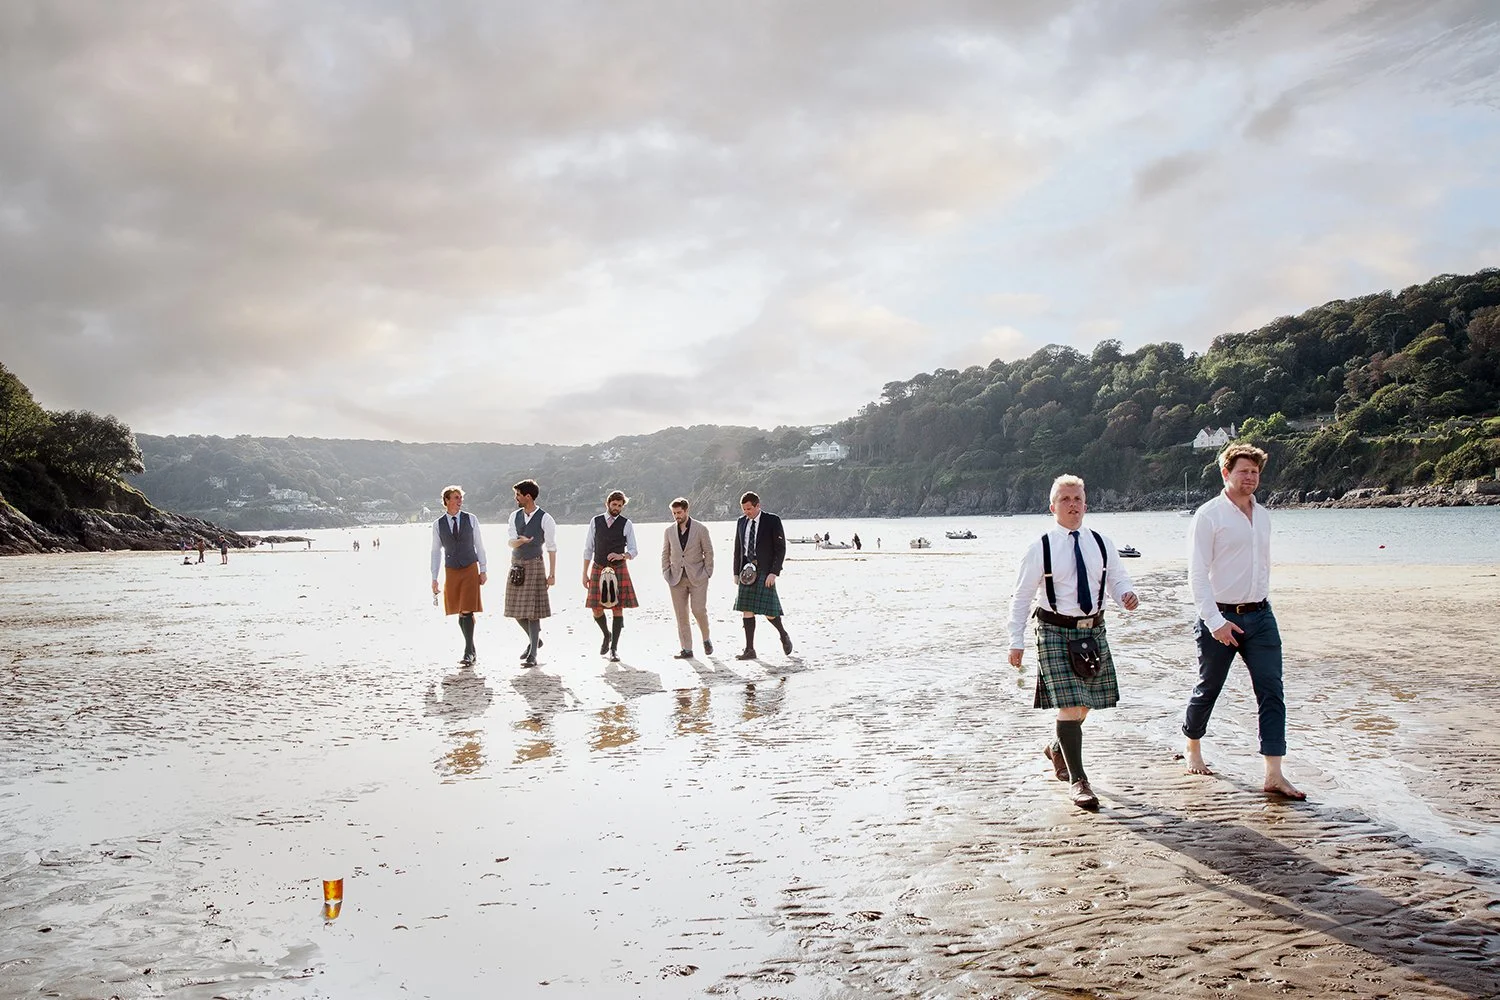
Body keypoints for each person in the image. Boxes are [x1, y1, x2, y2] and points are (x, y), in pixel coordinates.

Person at [1007, 474, 1139, 812]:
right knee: (1070, 703)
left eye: (1078, 499)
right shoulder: (1040, 547)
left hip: (1093, 630)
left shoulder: (1101, 542)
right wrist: (1015, 640)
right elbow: (1021, 597)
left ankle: (1056, 747)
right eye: (1065, 499)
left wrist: (1126, 593)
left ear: (1086, 504)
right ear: (1052, 507)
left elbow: (1116, 577)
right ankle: (1079, 781)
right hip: (1053, 630)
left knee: (1086, 703)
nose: (1072, 505)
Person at [1182, 443, 1304, 799]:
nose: (1250, 478)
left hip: (1261, 617)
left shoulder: (1263, 515)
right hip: (1220, 617)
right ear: (1226, 473)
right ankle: (1192, 745)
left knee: (1271, 691)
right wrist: (1215, 622)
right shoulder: (1209, 515)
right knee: (1209, 687)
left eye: (1255, 472)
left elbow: (1261, 566)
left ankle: (1274, 773)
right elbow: (1196, 574)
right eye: (1243, 471)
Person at [430, 486, 487, 665]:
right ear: (446, 500)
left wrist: (483, 569)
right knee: (459, 611)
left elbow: (479, 544)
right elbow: (435, 551)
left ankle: (468, 652)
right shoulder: (438, 524)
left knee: (467, 608)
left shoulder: (471, 519)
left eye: (460, 497)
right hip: (451, 569)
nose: (459, 500)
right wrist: (434, 577)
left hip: (470, 566)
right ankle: (471, 648)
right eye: (456, 497)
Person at [732, 491, 793, 660]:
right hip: (747, 571)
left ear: (758, 505)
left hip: (765, 570)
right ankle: (749, 650)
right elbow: (738, 549)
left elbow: (780, 548)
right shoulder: (740, 522)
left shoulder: (772, 520)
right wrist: (736, 573)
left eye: (749, 508)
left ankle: (783, 634)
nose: (746, 512)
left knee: (769, 611)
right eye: (744, 509)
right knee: (746, 609)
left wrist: (774, 572)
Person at [582, 490, 638, 662]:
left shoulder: (626, 524)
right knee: (596, 608)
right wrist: (584, 573)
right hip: (598, 566)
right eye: (614, 505)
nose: (617, 508)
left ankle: (614, 649)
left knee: (617, 608)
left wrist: (622, 556)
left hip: (618, 568)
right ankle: (607, 635)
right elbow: (588, 548)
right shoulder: (595, 521)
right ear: (608, 504)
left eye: (620, 506)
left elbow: (634, 550)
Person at [506, 479, 557, 667]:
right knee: (516, 612)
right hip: (516, 564)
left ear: (528, 496)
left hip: (536, 564)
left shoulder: (546, 518)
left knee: (533, 613)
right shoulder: (514, 516)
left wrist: (552, 574)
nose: (516, 498)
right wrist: (521, 542)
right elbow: (510, 541)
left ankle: (533, 654)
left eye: (518, 494)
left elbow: (552, 547)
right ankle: (535, 639)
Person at [661, 497, 714, 659]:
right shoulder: (669, 531)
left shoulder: (701, 529)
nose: (676, 516)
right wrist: (666, 571)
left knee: (698, 610)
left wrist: (707, 572)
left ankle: (706, 639)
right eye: (674, 513)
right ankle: (687, 649)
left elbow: (709, 552)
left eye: (679, 512)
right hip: (675, 578)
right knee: (681, 615)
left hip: (698, 577)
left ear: (686, 511)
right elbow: (665, 553)